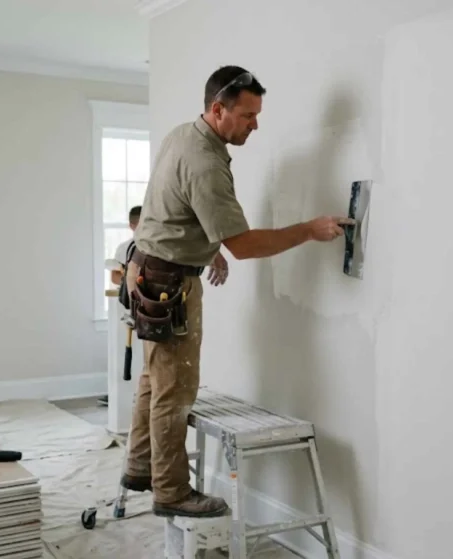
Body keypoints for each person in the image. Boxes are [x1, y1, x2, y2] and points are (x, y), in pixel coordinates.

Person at [121, 65, 352, 518]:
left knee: (153, 378)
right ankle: (170, 493)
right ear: (217, 109)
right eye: (248, 116)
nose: (255, 125)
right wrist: (308, 229)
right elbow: (244, 246)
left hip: (145, 267)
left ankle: (139, 466)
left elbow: (170, 207)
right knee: (175, 389)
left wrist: (207, 246)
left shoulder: (182, 135)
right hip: (168, 285)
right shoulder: (206, 163)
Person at [111, 205, 142, 287]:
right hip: (129, 297)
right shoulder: (123, 249)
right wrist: (133, 282)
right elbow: (114, 277)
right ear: (131, 226)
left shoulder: (157, 247)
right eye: (141, 226)